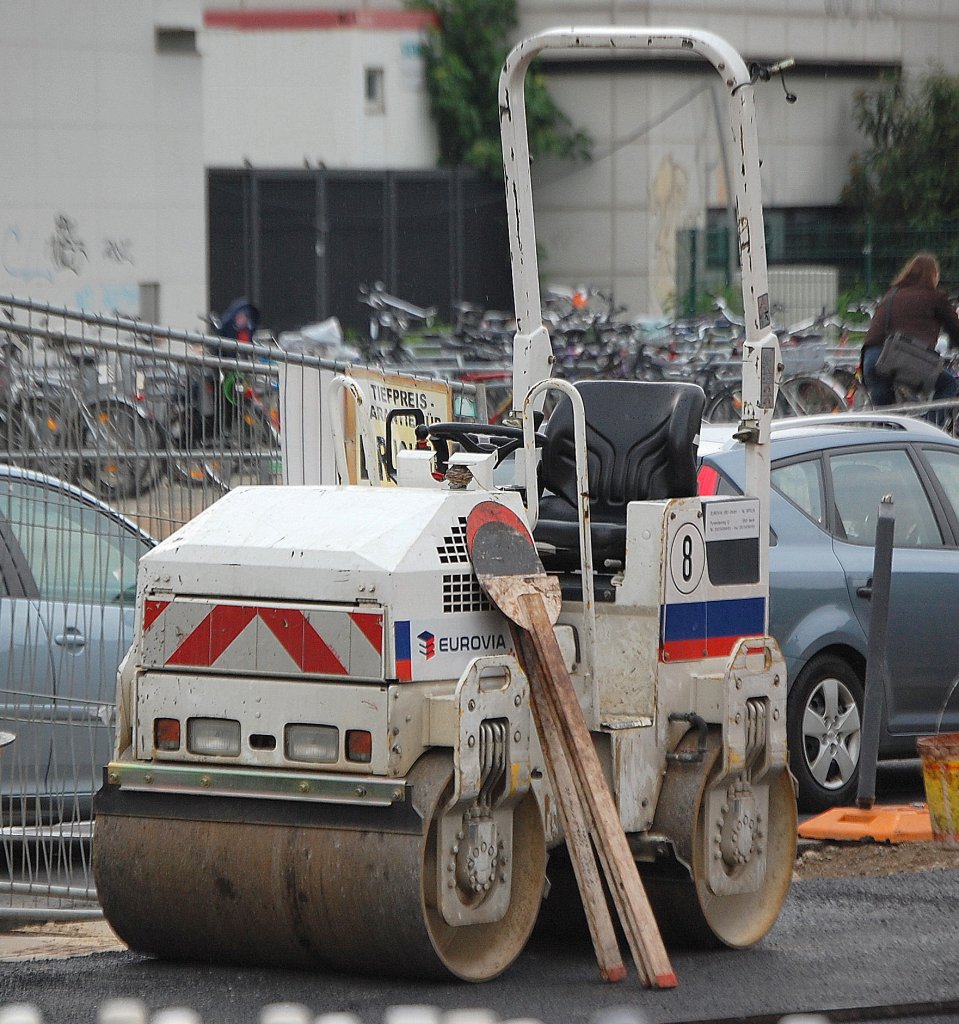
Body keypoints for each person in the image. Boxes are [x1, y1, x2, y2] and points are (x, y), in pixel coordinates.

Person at [861, 252, 959, 406]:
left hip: (871, 359)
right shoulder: (935, 297)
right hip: (900, 358)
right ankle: (931, 422)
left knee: (885, 415)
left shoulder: (891, 294)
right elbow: (955, 330)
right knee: (948, 384)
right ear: (933, 275)